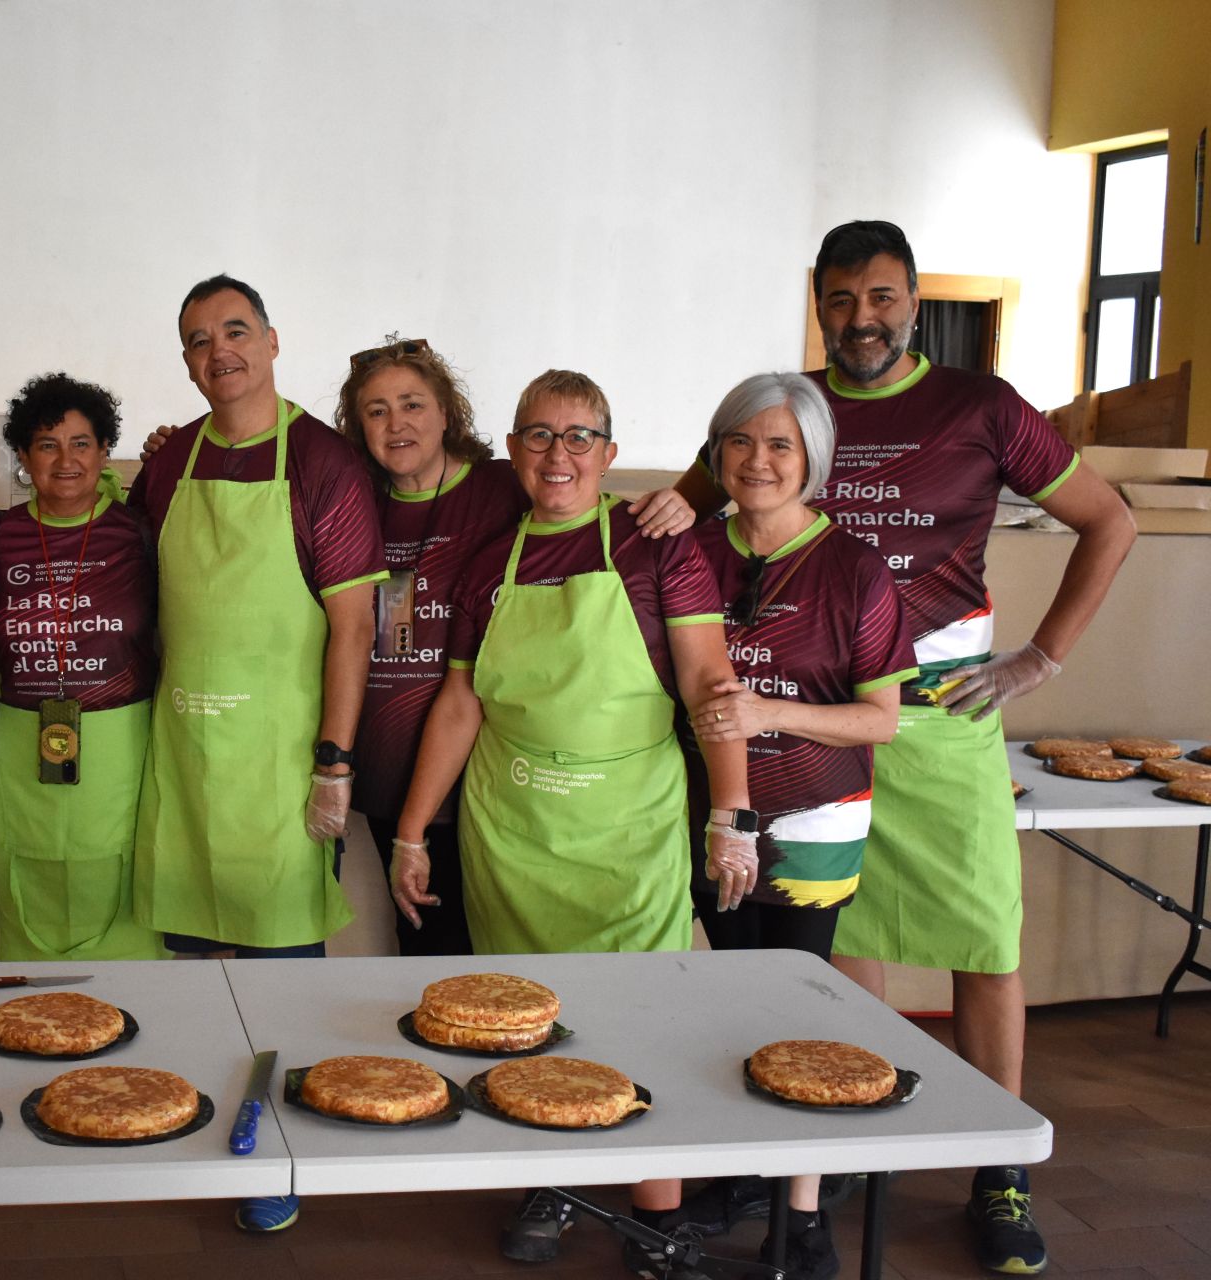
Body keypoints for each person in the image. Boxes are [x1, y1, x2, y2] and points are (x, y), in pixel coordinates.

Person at [669, 221, 1135, 1276]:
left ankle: (998, 1170)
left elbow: (1110, 517)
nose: (861, 319)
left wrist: (1042, 657)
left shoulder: (984, 408)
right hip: (805, 722)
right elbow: (706, 500)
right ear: (819, 305)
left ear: (913, 303)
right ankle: (844, 1143)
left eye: (881, 298)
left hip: (942, 714)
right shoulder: (787, 410)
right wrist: (654, 504)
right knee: (833, 948)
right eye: (841, 299)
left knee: (984, 937)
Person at [390, 369, 755, 1271]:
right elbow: (460, 703)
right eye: (540, 436)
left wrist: (731, 815)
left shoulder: (658, 544)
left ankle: (659, 1209)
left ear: (610, 452)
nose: (560, 454)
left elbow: (712, 684)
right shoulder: (489, 562)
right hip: (511, 830)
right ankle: (551, 1181)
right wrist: (410, 831)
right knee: (526, 1017)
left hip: (626, 825)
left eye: (579, 436)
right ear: (512, 449)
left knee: (642, 1015)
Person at [127, 274, 386, 1232]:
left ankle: (282, 1152)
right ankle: (201, 1138)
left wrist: (334, 760)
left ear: (274, 341)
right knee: (194, 960)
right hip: (187, 753)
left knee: (282, 964)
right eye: (197, 340)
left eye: (235, 331)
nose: (218, 352)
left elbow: (352, 627)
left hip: (282, 760)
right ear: (186, 361)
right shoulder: (167, 465)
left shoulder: (325, 464)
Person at [668, 372, 919, 1280]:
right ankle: (748, 1171)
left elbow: (882, 718)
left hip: (815, 820)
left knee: (797, 1006)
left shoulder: (856, 567)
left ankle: (803, 1213)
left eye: (779, 444)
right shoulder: (690, 549)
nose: (759, 461)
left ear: (814, 457)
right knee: (729, 997)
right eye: (740, 442)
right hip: (709, 816)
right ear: (717, 453)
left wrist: (773, 712)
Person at [332, 336, 527, 956]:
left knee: (503, 949)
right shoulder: (354, 504)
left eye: (413, 404)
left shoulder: (505, 491)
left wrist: (673, 507)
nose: (397, 424)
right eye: (377, 410)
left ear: (448, 412)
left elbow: (585, 508)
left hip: (487, 774)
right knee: (423, 951)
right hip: (388, 770)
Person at [0, 372, 165, 961]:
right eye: (47, 444)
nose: (65, 460)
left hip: (123, 744)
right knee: (28, 876)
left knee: (120, 869)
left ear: (104, 451)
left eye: (81, 443)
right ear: (22, 456)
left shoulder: (139, 534)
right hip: (19, 745)